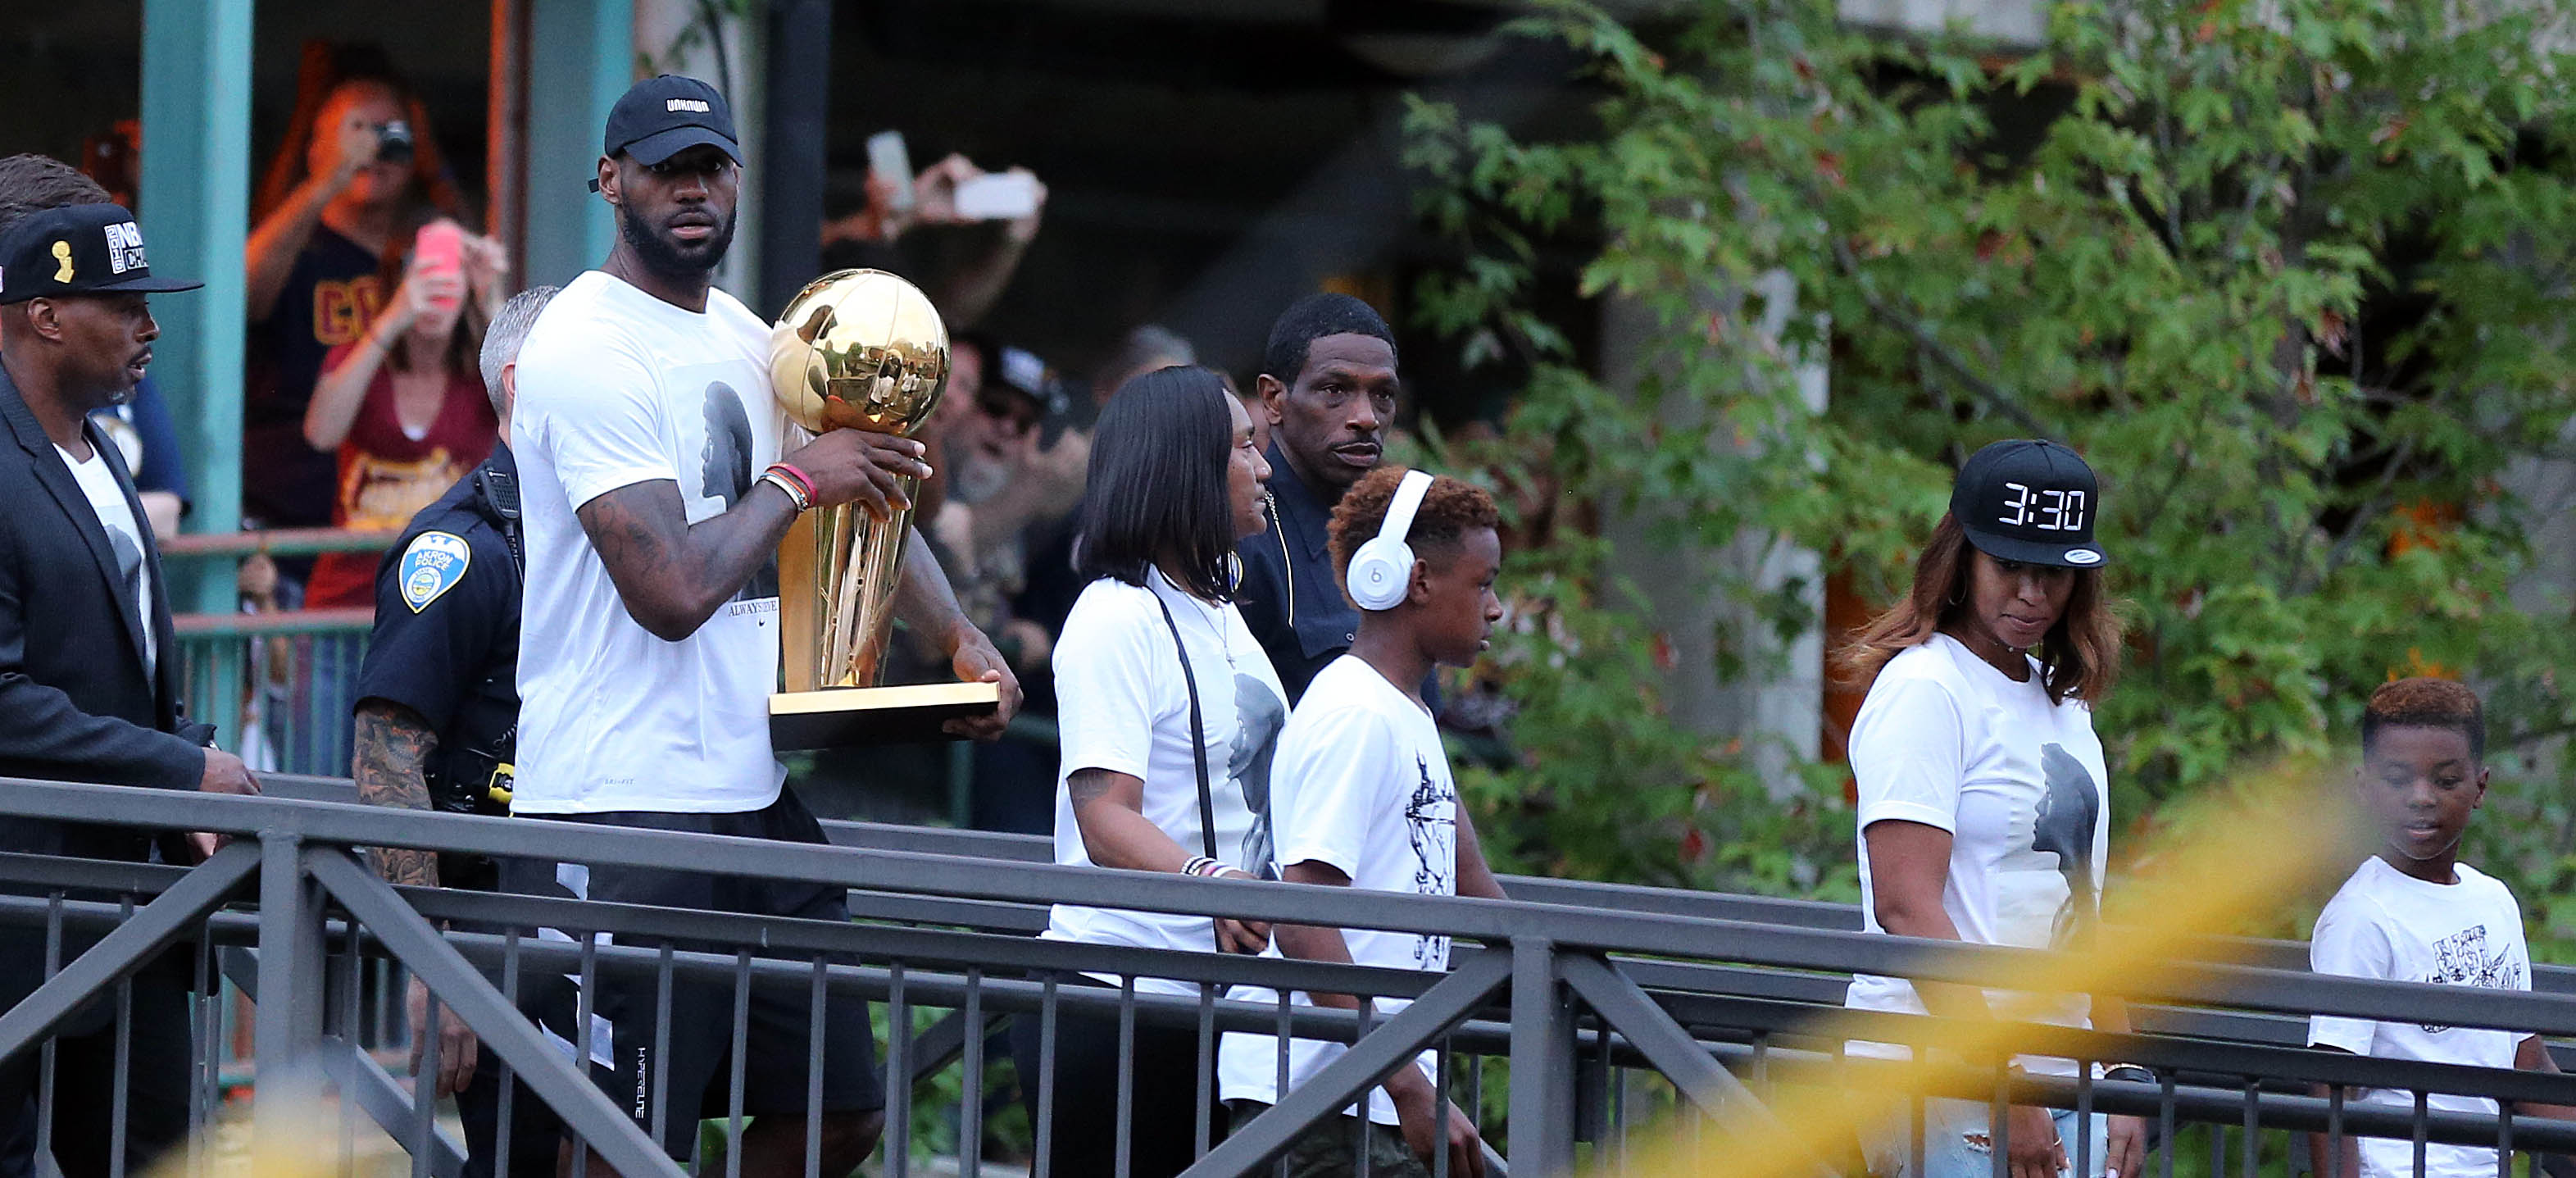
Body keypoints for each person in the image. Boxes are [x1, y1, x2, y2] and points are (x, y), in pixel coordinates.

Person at [503, 75, 1017, 1175]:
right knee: (623, 1143)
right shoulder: (583, 345)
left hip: (748, 796)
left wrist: (955, 637)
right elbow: (673, 594)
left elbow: (867, 480)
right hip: (618, 811)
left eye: (710, 168)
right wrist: (794, 477)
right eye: (663, 169)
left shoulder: (749, 335)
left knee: (843, 1114)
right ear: (610, 180)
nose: (692, 192)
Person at [0, 184, 259, 1178]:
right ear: (47, 315)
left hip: (128, 908)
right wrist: (177, 768)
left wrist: (182, 751)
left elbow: (123, 669)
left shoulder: (102, 444)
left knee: (160, 1156)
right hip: (23, 913)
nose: (150, 327)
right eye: (125, 305)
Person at [1008, 364, 1287, 1178]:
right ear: (1185, 467)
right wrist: (1213, 882)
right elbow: (1103, 816)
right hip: (1120, 1000)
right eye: (1243, 448)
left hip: (1215, 996)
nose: (1263, 467)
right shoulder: (1113, 617)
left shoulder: (1221, 612)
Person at [1837, 439, 2138, 1178]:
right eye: (2009, 566)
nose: (2033, 593)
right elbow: (1907, 908)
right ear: (1961, 558)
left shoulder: (2060, 703)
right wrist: (2004, 1086)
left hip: (2061, 1073)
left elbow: (2083, 903)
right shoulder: (1927, 688)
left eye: (2055, 573)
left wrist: (2126, 1070)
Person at [1217, 465, 1506, 1178]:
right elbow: (1304, 916)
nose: (1496, 607)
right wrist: (1408, 1085)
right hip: (1320, 1100)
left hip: (1362, 1089)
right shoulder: (1353, 713)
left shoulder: (1403, 712)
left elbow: (1477, 888)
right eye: (1483, 582)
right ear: (1413, 581)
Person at [348, 285, 561, 1178]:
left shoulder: (623, 531)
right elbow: (386, 753)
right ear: (523, 382)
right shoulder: (462, 548)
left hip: (600, 902)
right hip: (491, 920)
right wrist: (432, 964)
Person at [2306, 679, 2576, 1178]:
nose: (2421, 798)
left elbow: (2527, 1062)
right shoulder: (2362, 916)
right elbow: (2332, 1086)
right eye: (2397, 779)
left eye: (2446, 780)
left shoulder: (2493, 901)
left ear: (2480, 787)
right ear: (2364, 787)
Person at [243, 54, 461, 531]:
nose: (375, 147)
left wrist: (429, 158)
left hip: (398, 510)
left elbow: (479, 311)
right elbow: (239, 297)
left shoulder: (421, 251)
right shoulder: (294, 239)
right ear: (316, 147)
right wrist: (331, 179)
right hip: (287, 511)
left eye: (391, 132)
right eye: (356, 130)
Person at [299, 216, 508, 607]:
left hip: (452, 602)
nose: (435, 289)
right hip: (350, 599)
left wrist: (490, 297)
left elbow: (532, 405)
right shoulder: (357, 361)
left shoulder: (483, 373)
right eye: (421, 274)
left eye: (449, 275)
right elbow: (321, 434)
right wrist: (394, 317)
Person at [1236, 293, 1415, 705]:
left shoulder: (1400, 535)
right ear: (1274, 400)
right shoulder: (1242, 534)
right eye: (1335, 389)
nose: (1366, 417)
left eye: (1383, 395)